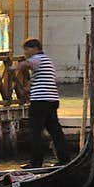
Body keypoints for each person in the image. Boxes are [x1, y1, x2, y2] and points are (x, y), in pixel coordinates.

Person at [14, 37, 71, 168]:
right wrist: (26, 90)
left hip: (40, 101)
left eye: (27, 50)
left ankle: (36, 162)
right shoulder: (47, 61)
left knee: (35, 132)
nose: (25, 53)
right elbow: (37, 82)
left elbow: (26, 64)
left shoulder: (38, 59)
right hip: (51, 100)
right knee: (55, 131)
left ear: (35, 49)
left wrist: (13, 68)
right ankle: (64, 159)